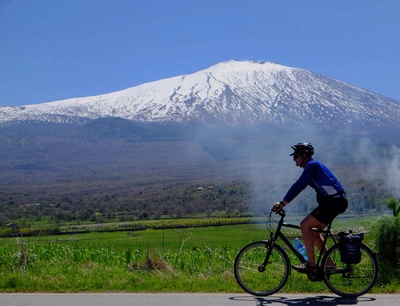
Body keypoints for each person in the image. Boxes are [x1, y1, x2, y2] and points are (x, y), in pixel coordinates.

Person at [272, 142, 348, 273]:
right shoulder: (312, 166)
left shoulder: (312, 165)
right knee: (314, 232)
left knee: (304, 225)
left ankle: (311, 265)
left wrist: (283, 203)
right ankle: (329, 264)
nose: (294, 159)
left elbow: (299, 185)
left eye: (295, 156)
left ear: (304, 155)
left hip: (334, 202)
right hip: (335, 202)